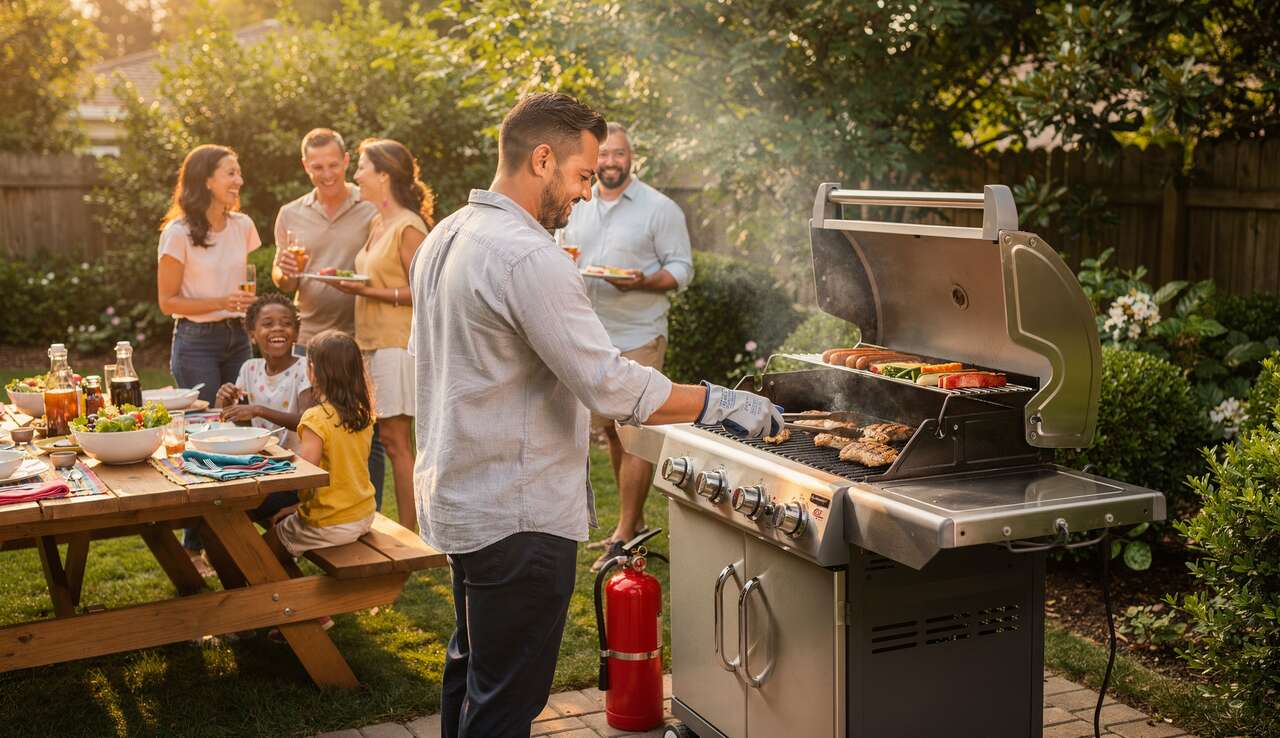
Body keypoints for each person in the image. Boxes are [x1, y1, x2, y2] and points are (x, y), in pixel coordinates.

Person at [409, 92, 782, 738]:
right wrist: (721, 402)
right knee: (503, 706)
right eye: (581, 176)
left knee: (470, 677)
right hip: (517, 516)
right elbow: (609, 385)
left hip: (462, 499)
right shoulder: (527, 254)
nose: (584, 195)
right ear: (543, 159)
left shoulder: (447, 235)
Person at [561, 122, 695, 571]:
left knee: (634, 433)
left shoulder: (660, 209)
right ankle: (632, 523)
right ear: (593, 159)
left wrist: (642, 280)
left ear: (631, 158)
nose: (610, 162)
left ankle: (622, 533)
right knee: (614, 436)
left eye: (619, 154)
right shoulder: (577, 202)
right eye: (603, 155)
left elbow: (682, 270)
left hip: (638, 334)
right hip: (590, 338)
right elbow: (562, 249)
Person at [271, 129, 388, 511]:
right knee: (315, 428)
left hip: (361, 336)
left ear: (346, 161)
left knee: (367, 430)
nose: (327, 174)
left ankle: (368, 513)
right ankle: (320, 512)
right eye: (317, 167)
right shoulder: (290, 213)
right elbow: (282, 277)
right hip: (313, 335)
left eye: (333, 165)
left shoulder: (371, 207)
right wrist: (284, 271)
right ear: (306, 166)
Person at [156, 143, 261, 566]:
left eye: (239, 172)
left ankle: (235, 531)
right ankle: (195, 544)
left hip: (238, 338)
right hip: (196, 341)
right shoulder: (178, 233)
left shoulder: (243, 226)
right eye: (230, 173)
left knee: (241, 425)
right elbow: (168, 302)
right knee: (203, 435)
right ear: (206, 181)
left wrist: (238, 307)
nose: (239, 180)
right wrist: (222, 299)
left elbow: (243, 285)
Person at [326, 138, 431, 533]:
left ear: (383, 175)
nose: (356, 176)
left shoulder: (408, 226)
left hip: (396, 344)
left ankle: (411, 533)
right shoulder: (378, 222)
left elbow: (425, 290)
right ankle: (408, 528)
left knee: (396, 440)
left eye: (362, 168)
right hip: (371, 342)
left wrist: (365, 290)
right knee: (387, 439)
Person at [262, 328, 376, 569]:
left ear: (313, 371)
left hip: (330, 522)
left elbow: (307, 475)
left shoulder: (316, 418)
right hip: (362, 515)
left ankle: (270, 600)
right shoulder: (362, 413)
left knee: (257, 553)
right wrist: (297, 507)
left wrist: (274, 462)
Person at [213, 293, 316, 527]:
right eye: (267, 324)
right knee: (218, 500)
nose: (278, 329)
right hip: (261, 467)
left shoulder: (305, 368)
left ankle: (250, 557)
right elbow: (234, 420)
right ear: (252, 335)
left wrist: (259, 410)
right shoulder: (250, 368)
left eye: (286, 323)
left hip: (294, 474)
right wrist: (225, 403)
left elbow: (306, 421)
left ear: (296, 333)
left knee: (227, 508)